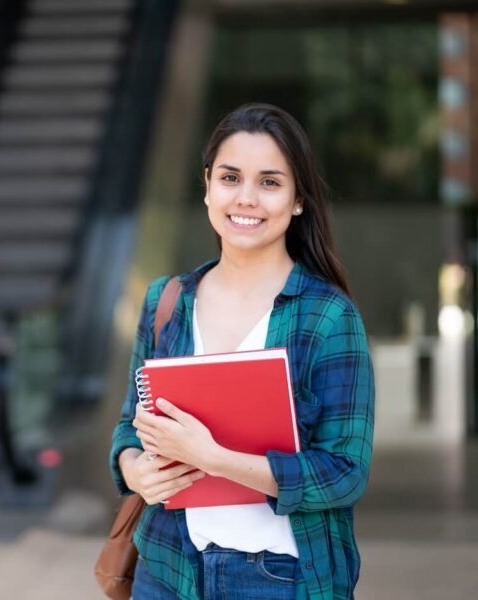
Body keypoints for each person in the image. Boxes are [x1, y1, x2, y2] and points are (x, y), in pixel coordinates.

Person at [109, 104, 375, 599]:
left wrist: (213, 458)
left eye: (270, 182)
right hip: (166, 569)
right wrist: (134, 469)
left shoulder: (328, 317)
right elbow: (129, 424)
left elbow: (345, 473)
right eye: (231, 177)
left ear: (298, 200)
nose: (246, 198)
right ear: (208, 184)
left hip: (280, 578)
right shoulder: (166, 302)